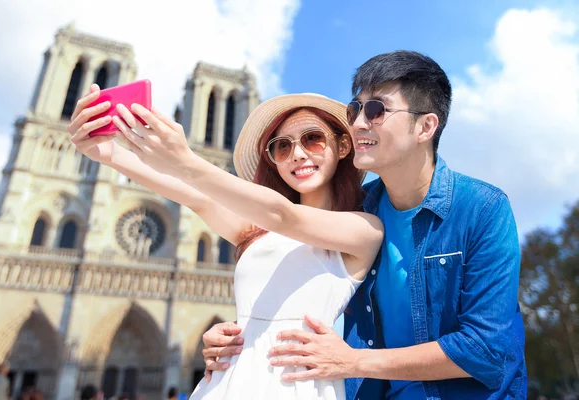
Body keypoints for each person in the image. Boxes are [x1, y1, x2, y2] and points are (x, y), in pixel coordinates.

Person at [200, 50, 527, 399]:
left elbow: (485, 349)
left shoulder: (481, 208)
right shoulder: (352, 212)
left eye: (376, 110)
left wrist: (356, 362)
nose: (356, 123)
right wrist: (239, 336)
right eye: (355, 109)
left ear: (425, 126)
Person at [69, 91, 384, 399]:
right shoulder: (259, 233)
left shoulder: (363, 229)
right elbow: (199, 199)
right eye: (282, 147)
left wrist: (186, 161)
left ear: (343, 146)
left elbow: (283, 214)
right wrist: (108, 154)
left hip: (293, 385)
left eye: (312, 139)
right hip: (228, 381)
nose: (298, 154)